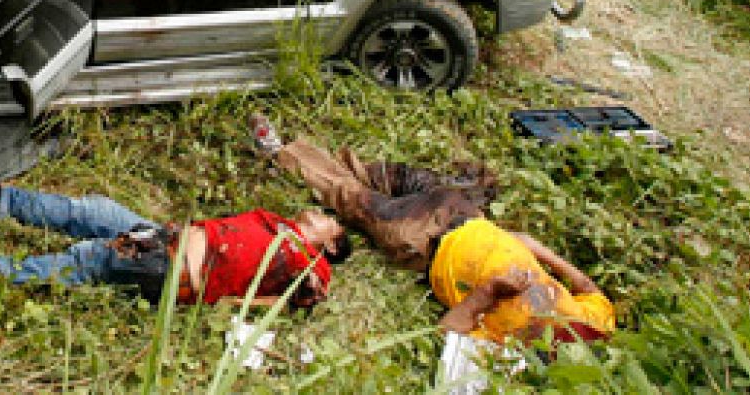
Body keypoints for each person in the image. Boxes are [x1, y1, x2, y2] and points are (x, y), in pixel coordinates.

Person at [249, 114, 614, 344]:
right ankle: (317, 162)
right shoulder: (596, 324)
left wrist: (489, 292)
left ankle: (281, 152)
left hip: (426, 241)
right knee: (391, 176)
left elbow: (449, 331)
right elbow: (587, 288)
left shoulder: (517, 349)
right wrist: (538, 249)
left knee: (356, 198)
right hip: (469, 216)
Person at [0, 180, 349, 307]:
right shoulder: (278, 226)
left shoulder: (311, 266)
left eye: (329, 221)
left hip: (171, 267)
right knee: (96, 212)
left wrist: (309, 287)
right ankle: (11, 202)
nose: (319, 213)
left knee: (89, 260)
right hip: (167, 235)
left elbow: (296, 298)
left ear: (330, 245)